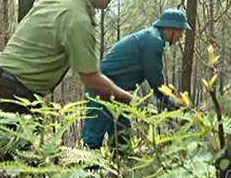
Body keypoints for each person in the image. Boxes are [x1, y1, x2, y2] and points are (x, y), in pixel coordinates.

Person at [0, 0, 133, 115]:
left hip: (6, 88)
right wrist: (132, 102)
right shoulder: (77, 17)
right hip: (11, 95)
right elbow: (91, 79)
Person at [81, 9, 190, 150]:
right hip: (102, 88)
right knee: (92, 139)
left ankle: (122, 171)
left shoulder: (152, 38)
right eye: (181, 31)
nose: (181, 36)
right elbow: (154, 76)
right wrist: (167, 101)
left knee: (122, 137)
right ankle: (85, 171)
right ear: (170, 29)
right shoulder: (153, 41)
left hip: (117, 92)